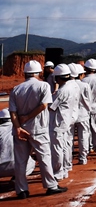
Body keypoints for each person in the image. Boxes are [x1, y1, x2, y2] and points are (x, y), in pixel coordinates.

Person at [9, 61, 66, 199]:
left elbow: (13, 112)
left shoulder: (16, 89)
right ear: (39, 72)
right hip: (38, 128)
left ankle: (21, 190)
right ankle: (51, 185)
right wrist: (28, 117)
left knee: (20, 161)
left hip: (21, 130)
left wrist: (18, 127)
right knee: (44, 157)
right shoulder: (43, 85)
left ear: (25, 73)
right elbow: (44, 105)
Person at [49, 64, 80, 181]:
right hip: (66, 120)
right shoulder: (72, 86)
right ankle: (66, 168)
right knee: (65, 146)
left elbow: (51, 107)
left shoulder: (61, 91)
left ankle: (58, 172)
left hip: (58, 122)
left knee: (57, 148)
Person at [0, 108, 36, 178]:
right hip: (20, 167)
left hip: (0, 168)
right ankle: (17, 178)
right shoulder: (23, 129)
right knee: (31, 162)